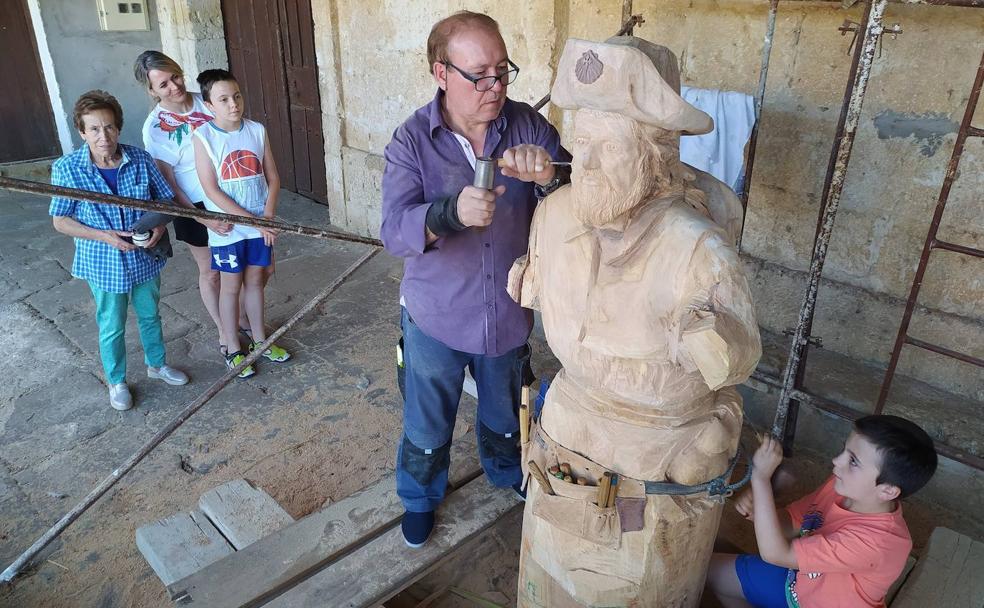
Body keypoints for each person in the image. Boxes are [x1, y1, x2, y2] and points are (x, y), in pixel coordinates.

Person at [507, 37, 761, 606]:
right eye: (580, 142)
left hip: (657, 452)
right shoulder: (551, 216)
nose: (586, 163)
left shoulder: (698, 253)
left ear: (655, 152)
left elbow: (737, 359)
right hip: (567, 429)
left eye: (608, 146)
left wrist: (714, 340)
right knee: (546, 580)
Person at [380, 10, 571, 548]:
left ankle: (508, 475)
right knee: (427, 423)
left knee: (507, 411)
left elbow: (581, 198)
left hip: (508, 312)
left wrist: (550, 176)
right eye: (479, 74)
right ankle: (419, 498)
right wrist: (446, 214)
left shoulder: (529, 128)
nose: (496, 86)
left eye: (503, 71)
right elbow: (394, 233)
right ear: (441, 73)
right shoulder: (413, 141)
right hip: (436, 315)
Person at [49, 90, 189, 411]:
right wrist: (103, 236)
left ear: (119, 127)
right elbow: (61, 221)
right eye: (94, 129)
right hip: (103, 261)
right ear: (82, 132)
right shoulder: (68, 169)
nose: (103, 136)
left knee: (150, 315)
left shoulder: (139, 159)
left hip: (143, 256)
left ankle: (157, 365)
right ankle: (117, 381)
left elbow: (165, 200)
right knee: (112, 325)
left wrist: (158, 226)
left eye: (109, 127)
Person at [706, 415, 938, 608]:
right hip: (799, 584)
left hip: (817, 599)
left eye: (854, 461)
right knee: (709, 569)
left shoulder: (877, 543)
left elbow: (776, 554)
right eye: (843, 451)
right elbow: (792, 525)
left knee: (711, 572)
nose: (836, 461)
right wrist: (762, 509)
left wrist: (761, 479)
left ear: (887, 491)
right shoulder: (842, 488)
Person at [134, 50, 237, 356]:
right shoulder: (154, 128)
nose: (174, 86)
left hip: (232, 196)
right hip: (193, 205)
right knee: (211, 270)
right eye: (163, 84)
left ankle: (242, 319)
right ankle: (223, 328)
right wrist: (201, 218)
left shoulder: (208, 101)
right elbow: (169, 182)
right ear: (152, 91)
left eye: (175, 76)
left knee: (238, 266)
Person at [192, 69, 290, 378]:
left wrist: (268, 216)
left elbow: (272, 177)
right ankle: (234, 347)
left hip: (260, 224)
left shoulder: (257, 130)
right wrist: (253, 221)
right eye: (223, 99)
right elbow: (211, 189)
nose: (233, 104)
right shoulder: (203, 137)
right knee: (230, 286)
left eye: (236, 96)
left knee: (256, 282)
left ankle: (261, 341)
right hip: (229, 229)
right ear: (209, 105)